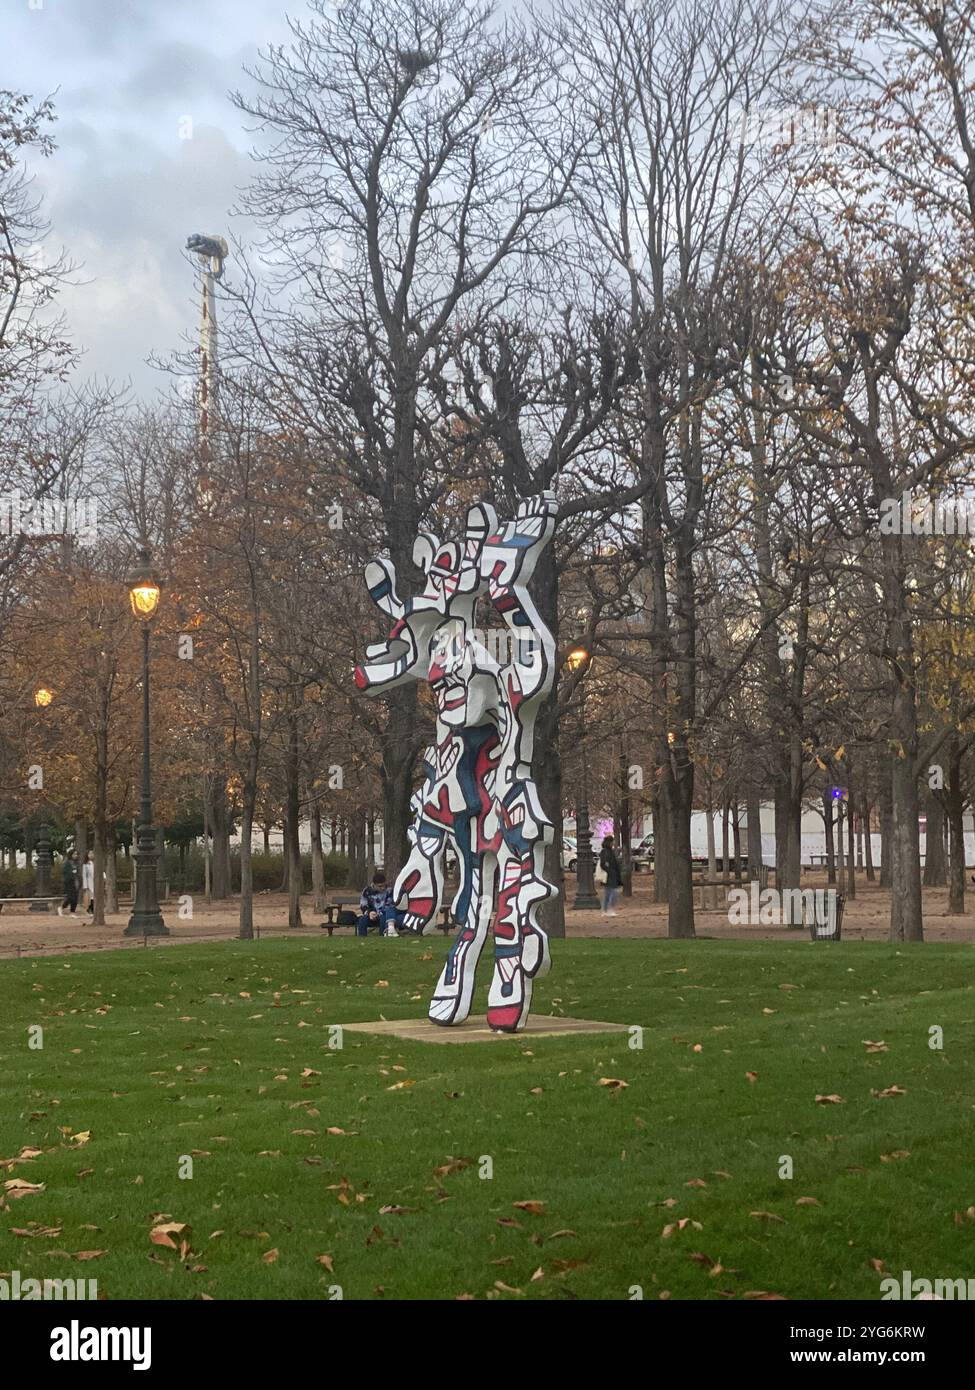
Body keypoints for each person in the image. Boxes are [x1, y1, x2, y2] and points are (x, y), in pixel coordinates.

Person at [356, 871, 403, 937]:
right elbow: (363, 905)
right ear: (374, 884)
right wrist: (369, 913)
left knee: (383, 919)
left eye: (384, 885)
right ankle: (361, 938)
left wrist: (379, 913)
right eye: (380, 886)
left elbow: (389, 906)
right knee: (362, 920)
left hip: (384, 914)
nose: (383, 888)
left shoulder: (389, 890)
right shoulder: (367, 891)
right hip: (371, 915)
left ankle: (382, 937)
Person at [599, 835, 622, 918]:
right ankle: (608, 909)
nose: (613, 843)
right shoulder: (605, 852)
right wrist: (610, 871)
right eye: (612, 841)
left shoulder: (609, 851)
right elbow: (603, 864)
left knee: (608, 893)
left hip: (612, 875)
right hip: (610, 875)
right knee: (612, 893)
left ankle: (605, 910)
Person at [58, 850, 80, 917]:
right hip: (69, 882)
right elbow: (65, 872)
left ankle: (72, 912)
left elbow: (78, 872)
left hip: (75, 882)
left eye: (76, 854)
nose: (75, 856)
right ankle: (61, 907)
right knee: (70, 897)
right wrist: (72, 873)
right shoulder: (67, 863)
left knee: (75, 897)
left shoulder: (76, 863)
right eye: (74, 854)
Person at [82, 851, 95, 916]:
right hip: (89, 882)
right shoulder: (86, 865)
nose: (91, 855)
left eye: (92, 853)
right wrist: (85, 885)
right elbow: (84, 875)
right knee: (91, 896)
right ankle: (90, 909)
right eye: (90, 853)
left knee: (94, 896)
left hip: (96, 882)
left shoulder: (95, 863)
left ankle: (91, 909)